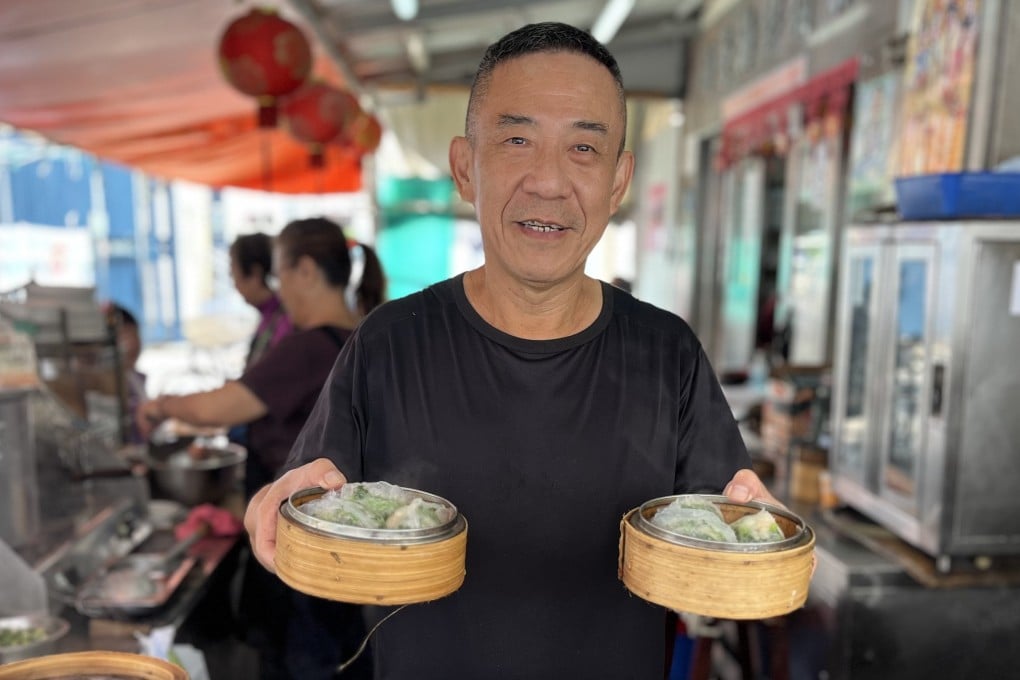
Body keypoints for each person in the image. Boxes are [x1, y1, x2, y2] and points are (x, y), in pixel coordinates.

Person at [245, 22, 782, 679]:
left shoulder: (667, 352)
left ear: (619, 181)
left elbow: (724, 526)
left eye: (583, 148)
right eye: (517, 139)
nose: (548, 181)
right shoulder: (388, 343)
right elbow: (312, 509)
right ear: (465, 167)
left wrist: (760, 540)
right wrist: (278, 514)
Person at [138, 217, 386, 679]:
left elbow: (220, 407)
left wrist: (159, 406)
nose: (279, 289)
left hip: (300, 544)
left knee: (303, 662)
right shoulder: (364, 338)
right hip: (342, 543)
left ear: (306, 271)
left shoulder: (307, 349)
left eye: (280, 274)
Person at [229, 232, 293, 370]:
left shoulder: (284, 322)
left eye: (234, 274)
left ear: (255, 273)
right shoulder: (272, 317)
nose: (235, 285)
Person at [104, 302, 147, 444]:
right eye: (126, 337)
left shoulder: (135, 378)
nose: (134, 344)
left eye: (135, 335)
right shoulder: (105, 383)